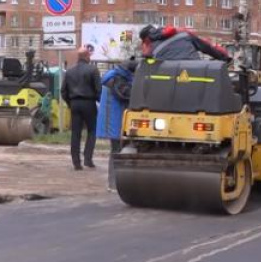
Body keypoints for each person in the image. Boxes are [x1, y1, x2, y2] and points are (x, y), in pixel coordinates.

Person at [98, 57, 137, 190]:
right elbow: (125, 95)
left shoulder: (116, 76)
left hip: (115, 119)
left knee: (117, 151)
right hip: (114, 121)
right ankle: (113, 184)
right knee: (116, 151)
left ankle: (115, 183)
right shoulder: (117, 79)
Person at [63, 47, 102, 170]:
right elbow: (99, 89)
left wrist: (70, 103)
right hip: (89, 103)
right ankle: (88, 159)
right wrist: (98, 101)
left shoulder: (69, 71)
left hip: (74, 103)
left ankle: (76, 162)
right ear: (86, 56)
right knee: (92, 131)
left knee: (76, 133)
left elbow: (63, 91)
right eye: (89, 55)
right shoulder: (93, 70)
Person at [139, 25, 231, 62]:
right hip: (196, 70)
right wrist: (223, 57)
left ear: (146, 40)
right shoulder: (183, 33)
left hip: (170, 79)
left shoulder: (151, 47)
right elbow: (207, 47)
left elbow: (145, 62)